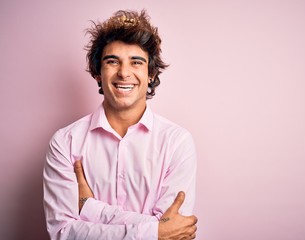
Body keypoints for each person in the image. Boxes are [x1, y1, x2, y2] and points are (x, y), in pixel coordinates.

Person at [43, 9, 198, 240]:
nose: (124, 73)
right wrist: (153, 231)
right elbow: (63, 233)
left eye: (136, 62)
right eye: (112, 61)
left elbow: (173, 232)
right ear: (98, 73)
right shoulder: (65, 142)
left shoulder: (177, 142)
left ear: (151, 74)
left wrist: (89, 208)